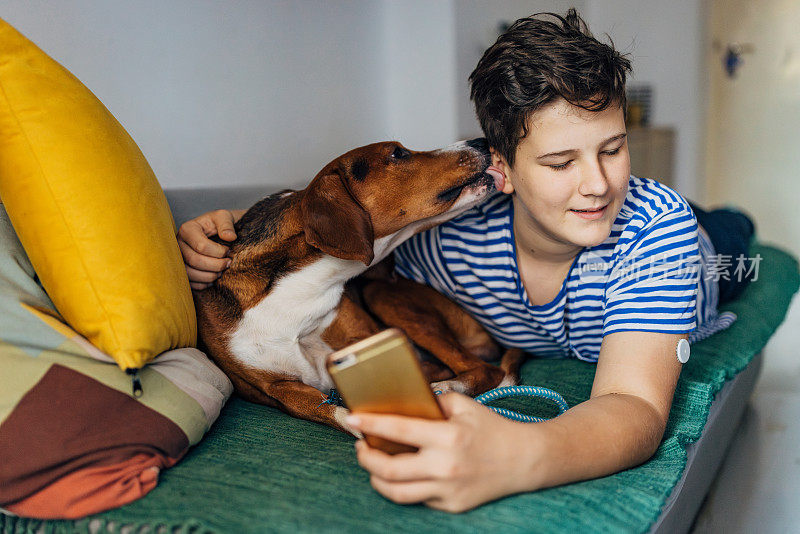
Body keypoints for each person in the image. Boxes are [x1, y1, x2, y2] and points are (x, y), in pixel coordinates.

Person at [178, 9, 754, 513]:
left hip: (702, 256)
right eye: (560, 163)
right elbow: (340, 247)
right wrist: (227, 230)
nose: (599, 184)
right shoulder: (443, 240)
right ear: (498, 167)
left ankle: (732, 220)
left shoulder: (656, 235)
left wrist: (520, 454)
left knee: (732, 232)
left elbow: (632, 405)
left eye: (612, 148)